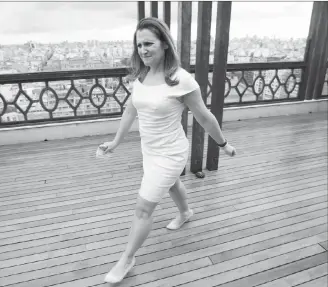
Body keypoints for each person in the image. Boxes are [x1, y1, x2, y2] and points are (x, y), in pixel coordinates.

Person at [98, 17, 236, 283]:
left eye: (148, 43)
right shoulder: (143, 74)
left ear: (164, 44)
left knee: (143, 208)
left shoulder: (180, 80)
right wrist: (115, 142)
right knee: (172, 185)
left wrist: (223, 144)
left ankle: (127, 259)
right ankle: (186, 212)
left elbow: (205, 117)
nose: (143, 50)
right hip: (150, 151)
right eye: (139, 45)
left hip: (171, 153)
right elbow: (131, 110)